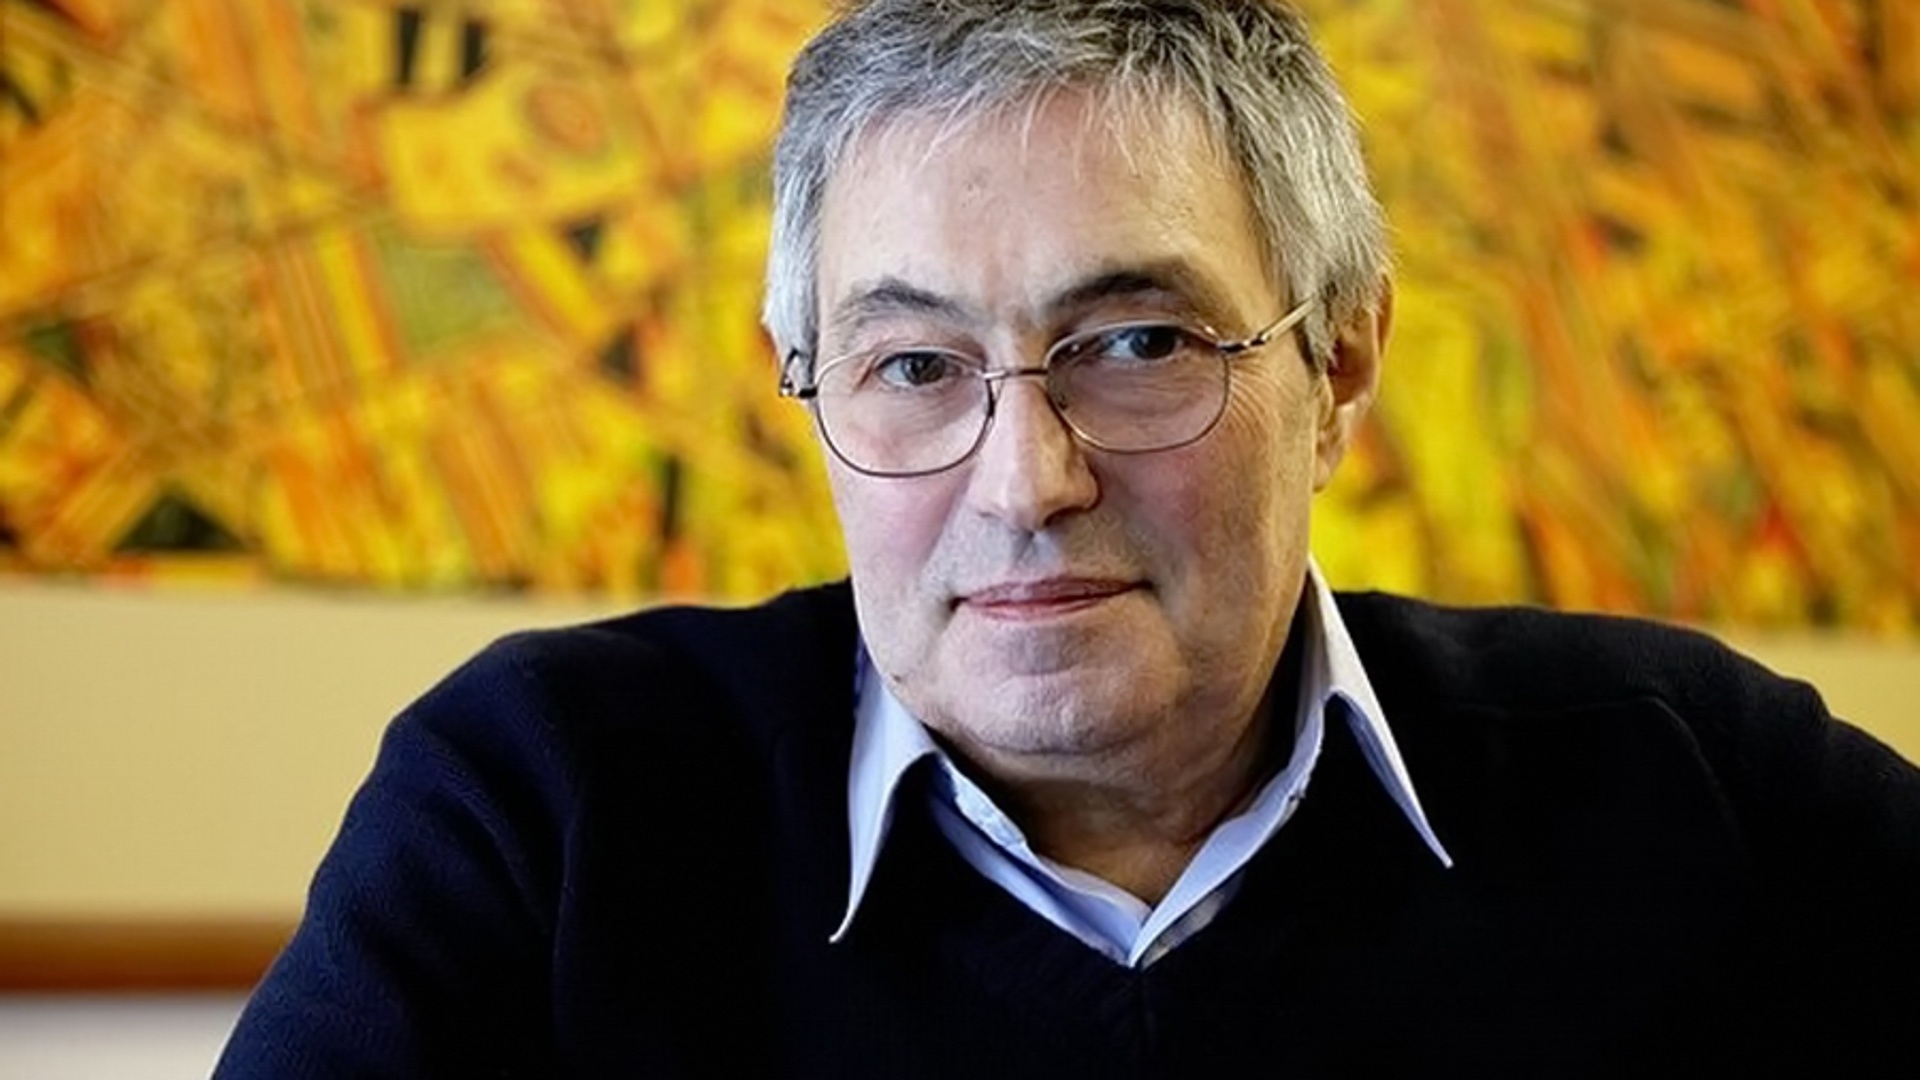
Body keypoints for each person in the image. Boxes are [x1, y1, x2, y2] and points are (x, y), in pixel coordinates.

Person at [216, 2, 1920, 1076]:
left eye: (1137, 343)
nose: (1024, 479)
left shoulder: (1702, 787)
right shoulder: (543, 810)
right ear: (810, 385)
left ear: (1339, 363)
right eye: (913, 367)